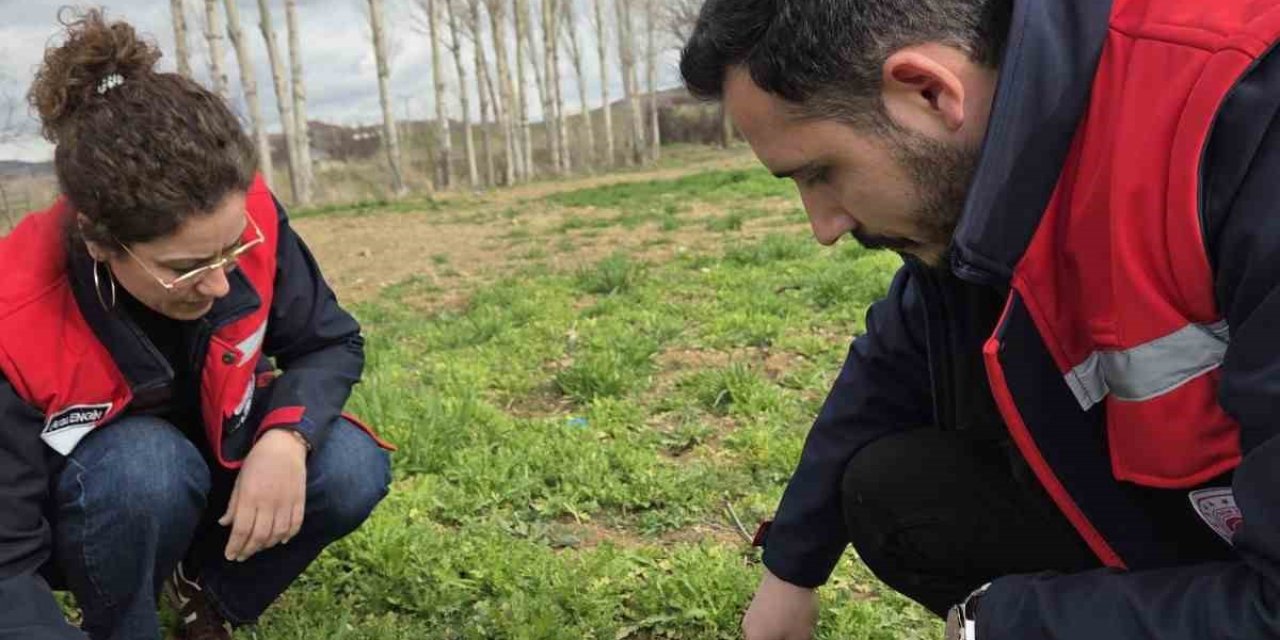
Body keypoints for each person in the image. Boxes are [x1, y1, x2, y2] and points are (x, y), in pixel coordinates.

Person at [681, 0, 1280, 638]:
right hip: (1211, 524)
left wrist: (1002, 624)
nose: (823, 227)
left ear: (930, 92)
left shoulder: (1246, 121)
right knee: (898, 490)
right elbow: (895, 356)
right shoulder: (1008, 143)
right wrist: (788, 576)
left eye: (820, 174)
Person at [0, 10, 393, 640]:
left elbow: (329, 342)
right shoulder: (13, 321)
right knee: (146, 464)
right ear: (100, 244)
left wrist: (285, 440)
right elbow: (4, 565)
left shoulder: (245, 214)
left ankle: (208, 600)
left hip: (211, 460)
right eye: (186, 267)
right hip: (89, 506)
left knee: (349, 463)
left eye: (231, 250)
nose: (219, 285)